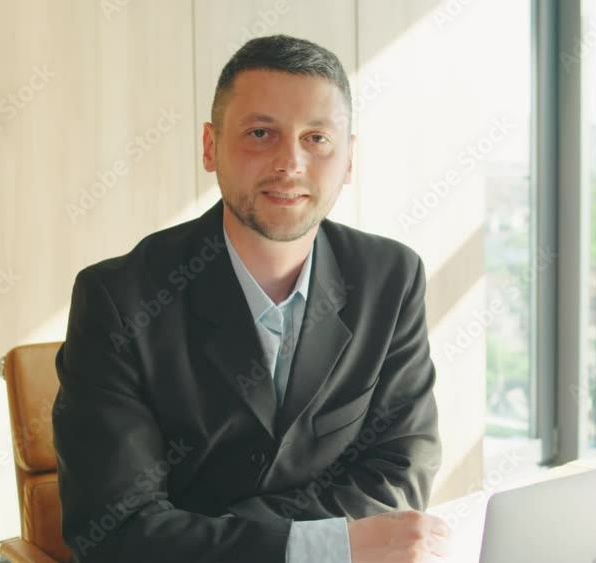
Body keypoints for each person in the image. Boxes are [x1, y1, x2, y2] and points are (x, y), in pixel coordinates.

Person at [52, 34, 451, 562]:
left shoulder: (391, 278)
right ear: (210, 146)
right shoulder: (119, 300)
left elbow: (400, 470)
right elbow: (116, 532)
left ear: (349, 158)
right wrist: (318, 547)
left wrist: (252, 540)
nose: (290, 163)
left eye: (316, 138)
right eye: (261, 133)